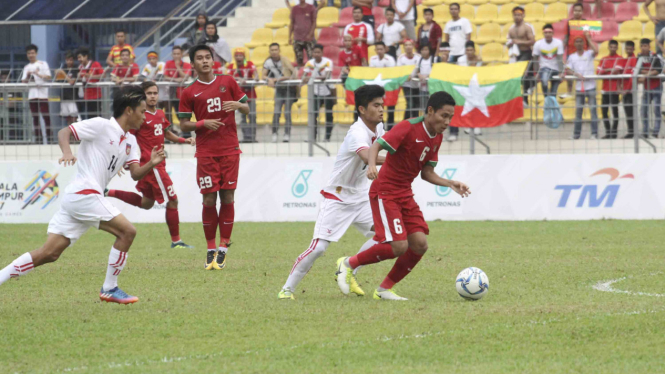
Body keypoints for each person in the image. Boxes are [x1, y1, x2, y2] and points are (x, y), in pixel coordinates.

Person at [0, 85, 166, 304]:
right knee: (127, 232)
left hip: (79, 199)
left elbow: (135, 174)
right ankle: (110, 288)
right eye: (142, 111)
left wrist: (151, 164)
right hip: (84, 193)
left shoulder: (131, 142)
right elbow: (64, 132)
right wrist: (68, 152)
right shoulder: (101, 125)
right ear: (129, 110)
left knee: (50, 253)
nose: (145, 117)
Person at [335, 91, 471, 301]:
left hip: (404, 193)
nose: (447, 122)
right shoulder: (409, 127)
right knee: (398, 245)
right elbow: (376, 146)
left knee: (419, 244)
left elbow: (426, 173)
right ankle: (348, 263)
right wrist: (371, 165)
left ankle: (384, 289)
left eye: (450, 117)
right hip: (385, 191)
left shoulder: (437, 137)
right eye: (444, 116)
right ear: (430, 111)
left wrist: (449, 183)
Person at [278, 85, 387, 300]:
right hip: (337, 196)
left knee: (384, 236)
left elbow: (389, 144)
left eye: (382, 105)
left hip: (362, 197)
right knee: (319, 248)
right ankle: (286, 289)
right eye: (376, 105)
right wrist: (403, 161)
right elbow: (367, 157)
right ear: (362, 110)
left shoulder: (379, 127)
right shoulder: (357, 132)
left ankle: (349, 269)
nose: (382, 109)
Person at [178, 45, 249, 271]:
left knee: (227, 197)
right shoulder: (189, 92)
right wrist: (202, 123)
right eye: (200, 58)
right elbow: (183, 124)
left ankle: (224, 247)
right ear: (193, 64)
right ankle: (210, 248)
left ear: (213, 60)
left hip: (229, 150)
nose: (205, 61)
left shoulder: (228, 81)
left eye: (208, 57)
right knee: (209, 199)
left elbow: (247, 108)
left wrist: (239, 105)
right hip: (206, 152)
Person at [106, 82, 195, 249]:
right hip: (152, 166)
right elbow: (127, 139)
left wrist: (184, 139)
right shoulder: (139, 116)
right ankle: (176, 241)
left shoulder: (160, 113)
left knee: (147, 203)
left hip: (154, 166)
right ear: (142, 96)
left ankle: (108, 192)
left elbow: (167, 133)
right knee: (173, 200)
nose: (153, 96)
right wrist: (123, 160)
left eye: (155, 93)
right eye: (149, 93)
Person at [564, 31, 598, 140]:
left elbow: (596, 50)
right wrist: (575, 74)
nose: (579, 43)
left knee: (593, 111)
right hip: (579, 88)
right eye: (577, 41)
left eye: (581, 41)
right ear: (574, 44)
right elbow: (567, 70)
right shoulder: (572, 57)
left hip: (591, 86)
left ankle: (594, 134)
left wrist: (588, 39)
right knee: (578, 112)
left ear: (583, 43)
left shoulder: (588, 53)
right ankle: (576, 135)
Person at [263, 43, 298, 143]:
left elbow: (293, 74)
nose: (274, 52)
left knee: (287, 113)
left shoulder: (285, 60)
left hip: (288, 89)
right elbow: (263, 75)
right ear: (269, 51)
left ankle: (287, 134)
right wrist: (270, 79)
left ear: (279, 50)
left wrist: (283, 78)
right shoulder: (268, 62)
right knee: (277, 112)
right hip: (279, 89)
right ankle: (274, 133)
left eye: (276, 50)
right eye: (272, 50)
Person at [302, 44, 336, 142]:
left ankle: (327, 137)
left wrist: (310, 78)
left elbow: (326, 76)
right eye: (314, 52)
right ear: (312, 53)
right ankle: (313, 138)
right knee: (313, 116)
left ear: (322, 53)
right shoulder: (309, 63)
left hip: (328, 91)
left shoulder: (328, 62)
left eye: (318, 52)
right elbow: (304, 76)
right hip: (315, 92)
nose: (316, 54)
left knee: (329, 115)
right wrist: (307, 78)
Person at [21, 44, 52, 144]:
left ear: (36, 53)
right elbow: (23, 81)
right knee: (35, 118)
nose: (31, 55)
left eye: (33, 53)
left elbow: (48, 77)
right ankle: (38, 140)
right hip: (32, 95)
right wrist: (29, 75)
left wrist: (38, 74)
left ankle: (50, 139)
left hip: (42, 94)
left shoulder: (43, 64)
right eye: (29, 53)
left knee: (46, 117)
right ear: (27, 55)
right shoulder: (26, 67)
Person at [226, 48, 259, 143]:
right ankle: (246, 137)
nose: (238, 57)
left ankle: (253, 137)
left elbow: (256, 75)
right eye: (236, 55)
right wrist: (237, 78)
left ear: (244, 56)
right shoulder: (231, 66)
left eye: (240, 55)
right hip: (239, 96)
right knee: (242, 117)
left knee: (252, 116)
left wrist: (255, 77)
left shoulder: (249, 64)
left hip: (250, 94)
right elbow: (228, 78)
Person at [507, 6, 535, 107]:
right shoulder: (511, 29)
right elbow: (508, 42)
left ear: (523, 15)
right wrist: (510, 44)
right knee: (518, 77)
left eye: (519, 15)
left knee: (523, 75)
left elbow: (532, 41)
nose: (517, 17)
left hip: (526, 53)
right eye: (515, 15)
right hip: (516, 54)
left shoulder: (527, 27)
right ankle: (521, 98)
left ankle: (525, 98)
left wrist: (519, 42)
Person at [596, 40, 624, 139]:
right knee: (604, 112)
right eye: (611, 47)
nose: (612, 49)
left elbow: (616, 71)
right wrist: (609, 70)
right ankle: (608, 132)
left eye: (614, 47)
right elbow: (598, 72)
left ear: (617, 48)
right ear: (608, 47)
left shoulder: (620, 58)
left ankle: (614, 133)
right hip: (605, 89)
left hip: (615, 89)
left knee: (614, 112)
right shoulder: (604, 59)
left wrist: (605, 70)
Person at [637, 38, 663, 138]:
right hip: (646, 87)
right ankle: (645, 132)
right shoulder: (639, 56)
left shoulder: (654, 56)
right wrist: (649, 72)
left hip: (656, 86)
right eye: (642, 46)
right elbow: (638, 70)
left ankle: (655, 132)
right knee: (643, 110)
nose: (644, 48)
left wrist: (645, 74)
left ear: (649, 47)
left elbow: (658, 70)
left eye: (645, 46)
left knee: (656, 110)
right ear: (640, 47)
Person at [533, 25, 564, 100]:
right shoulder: (538, 44)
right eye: (546, 32)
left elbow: (560, 58)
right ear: (543, 33)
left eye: (549, 32)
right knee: (544, 82)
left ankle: (550, 103)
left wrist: (561, 72)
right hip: (544, 68)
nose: (548, 34)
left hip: (556, 69)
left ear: (553, 33)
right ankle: (547, 99)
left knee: (554, 92)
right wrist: (536, 73)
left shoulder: (558, 42)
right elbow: (535, 59)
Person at [561, 3, 586, 99]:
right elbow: (566, 37)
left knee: (583, 72)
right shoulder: (569, 23)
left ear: (582, 12)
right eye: (575, 10)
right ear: (573, 11)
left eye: (579, 10)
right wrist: (562, 50)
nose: (577, 12)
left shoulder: (586, 23)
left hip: (583, 52)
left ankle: (584, 91)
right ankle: (569, 92)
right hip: (571, 52)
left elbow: (589, 38)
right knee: (569, 72)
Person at [370, 42, 397, 129]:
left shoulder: (390, 59)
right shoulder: (372, 59)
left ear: (385, 49)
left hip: (388, 87)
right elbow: (372, 73)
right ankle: (381, 129)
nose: (379, 51)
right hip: (377, 88)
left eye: (381, 49)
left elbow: (392, 73)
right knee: (379, 109)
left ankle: (390, 129)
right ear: (375, 50)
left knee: (390, 108)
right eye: (378, 49)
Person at [163, 46, 192, 128]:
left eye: (178, 54)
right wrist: (176, 80)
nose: (176, 56)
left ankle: (186, 131)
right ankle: (170, 129)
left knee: (180, 112)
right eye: (174, 54)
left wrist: (178, 67)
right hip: (170, 92)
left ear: (181, 54)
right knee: (168, 111)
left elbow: (185, 77)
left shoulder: (186, 64)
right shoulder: (168, 63)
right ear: (172, 55)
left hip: (181, 93)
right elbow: (165, 77)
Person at [77, 47, 105, 120]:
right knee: (89, 118)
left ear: (86, 56)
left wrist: (91, 76)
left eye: (80, 57)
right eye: (78, 58)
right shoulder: (80, 67)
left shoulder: (95, 64)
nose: (79, 59)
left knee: (97, 118)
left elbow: (103, 75)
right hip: (86, 97)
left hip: (96, 96)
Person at [397, 40, 421, 122]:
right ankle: (405, 122)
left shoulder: (418, 57)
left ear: (413, 46)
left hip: (417, 84)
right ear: (403, 47)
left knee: (416, 105)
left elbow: (418, 68)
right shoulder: (401, 58)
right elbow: (399, 69)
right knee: (410, 104)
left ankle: (415, 122)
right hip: (406, 84)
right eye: (406, 45)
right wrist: (406, 77)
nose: (408, 47)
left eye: (410, 45)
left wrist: (412, 75)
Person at [55, 52, 80, 127]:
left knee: (74, 117)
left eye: (71, 60)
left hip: (72, 97)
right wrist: (58, 73)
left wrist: (63, 74)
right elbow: (57, 78)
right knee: (67, 118)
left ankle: (75, 135)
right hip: (64, 96)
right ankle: (70, 136)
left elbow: (72, 81)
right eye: (67, 60)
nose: (69, 62)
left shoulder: (76, 69)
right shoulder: (63, 68)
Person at [414, 45, 441, 116]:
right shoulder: (419, 60)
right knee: (424, 107)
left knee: (434, 105)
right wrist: (419, 74)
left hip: (432, 88)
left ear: (429, 51)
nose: (424, 52)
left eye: (426, 50)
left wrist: (427, 76)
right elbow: (416, 70)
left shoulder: (433, 59)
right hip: (422, 87)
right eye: (423, 50)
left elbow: (436, 71)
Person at [289, 0, 317, 67]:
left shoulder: (311, 7)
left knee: (312, 59)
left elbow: (314, 22)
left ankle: (312, 74)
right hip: (297, 38)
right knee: (299, 59)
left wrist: (310, 34)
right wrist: (289, 36)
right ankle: (300, 75)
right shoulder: (294, 9)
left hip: (309, 39)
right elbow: (292, 23)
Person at [621, 41, 638, 139]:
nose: (629, 50)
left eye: (630, 49)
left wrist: (627, 89)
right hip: (626, 89)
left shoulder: (633, 59)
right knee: (628, 111)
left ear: (633, 49)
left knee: (631, 111)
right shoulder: (626, 59)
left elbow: (633, 76)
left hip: (630, 91)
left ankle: (632, 132)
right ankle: (631, 131)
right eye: (627, 49)